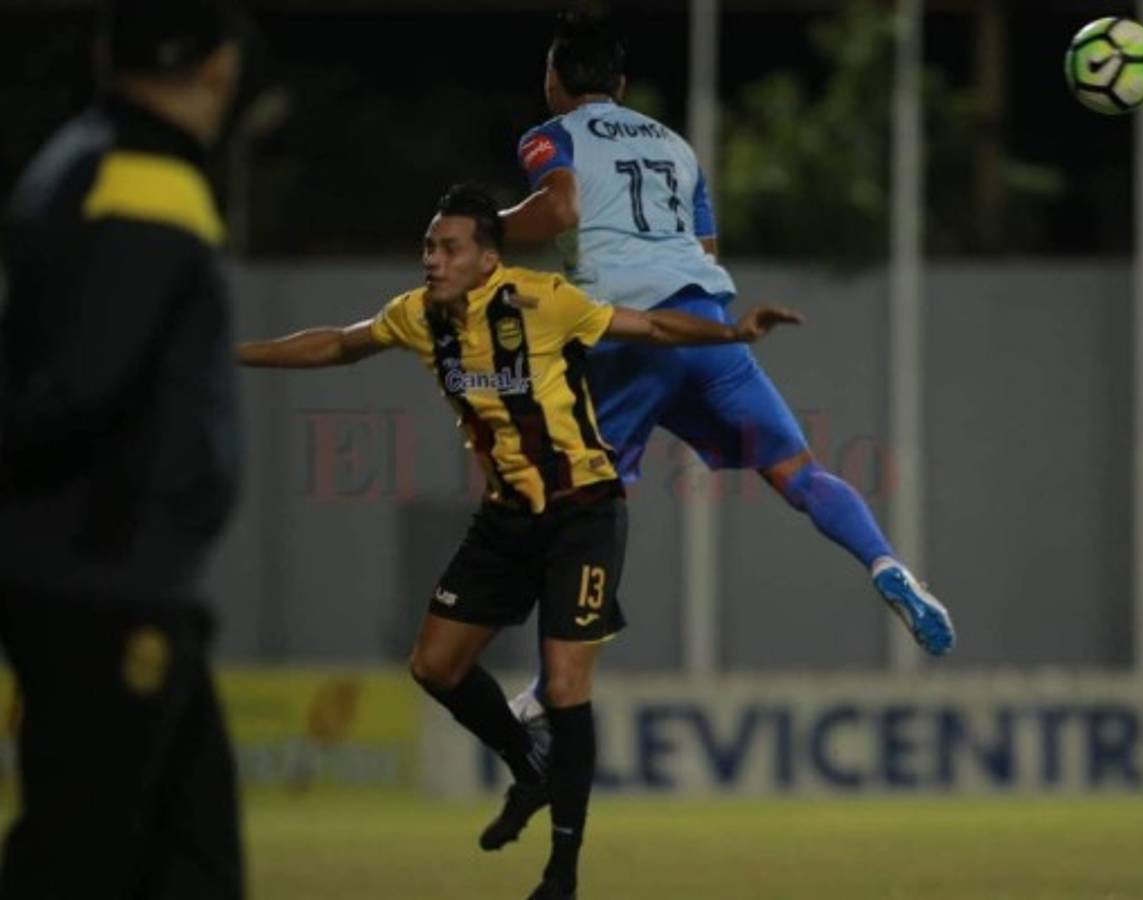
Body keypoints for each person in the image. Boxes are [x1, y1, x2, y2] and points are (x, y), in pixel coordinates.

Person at [237, 184, 799, 900]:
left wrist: (734, 333)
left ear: (486, 259)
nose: (432, 260)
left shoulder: (541, 299)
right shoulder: (417, 317)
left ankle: (562, 871)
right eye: (427, 248)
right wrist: (236, 353)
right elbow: (338, 346)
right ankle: (528, 769)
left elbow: (651, 330)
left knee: (565, 687)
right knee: (434, 667)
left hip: (583, 514)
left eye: (448, 248)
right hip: (504, 522)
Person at [501, 12, 955, 729]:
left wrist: (480, 229)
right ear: (619, 84)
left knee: (580, 509)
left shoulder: (549, 136)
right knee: (801, 475)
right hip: (708, 327)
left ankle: (544, 682)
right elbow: (702, 245)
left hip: (628, 333)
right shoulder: (676, 147)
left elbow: (557, 205)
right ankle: (885, 565)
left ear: (553, 81)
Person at [0, 1, 246, 897]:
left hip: (108, 572)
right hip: (104, 574)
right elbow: (79, 386)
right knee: (87, 852)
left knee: (188, 856)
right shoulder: (150, 181)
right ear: (220, 68)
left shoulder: (76, 160)